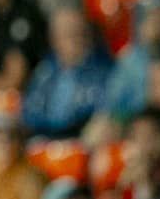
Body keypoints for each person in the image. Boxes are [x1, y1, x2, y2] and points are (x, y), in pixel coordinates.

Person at [21, 9, 114, 139]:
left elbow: (105, 109)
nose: (76, 39)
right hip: (44, 138)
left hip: (81, 138)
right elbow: (30, 110)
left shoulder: (103, 70)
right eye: (68, 34)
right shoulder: (45, 70)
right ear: (54, 39)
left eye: (80, 32)